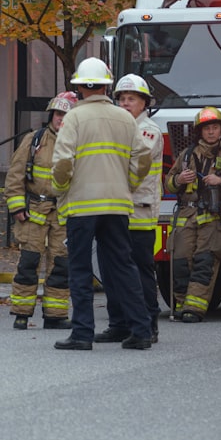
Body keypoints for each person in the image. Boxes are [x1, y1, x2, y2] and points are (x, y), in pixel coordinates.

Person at [50, 57, 153, 351]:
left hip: (82, 206)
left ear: (81, 86)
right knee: (123, 266)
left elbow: (62, 162)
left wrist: (61, 190)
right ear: (107, 86)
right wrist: (129, 184)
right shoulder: (124, 117)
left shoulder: (74, 119)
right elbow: (143, 157)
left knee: (80, 269)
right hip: (117, 205)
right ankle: (140, 331)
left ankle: (82, 333)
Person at [93, 75, 163, 344]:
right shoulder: (118, 128)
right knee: (111, 271)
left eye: (131, 99)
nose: (125, 103)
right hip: (115, 208)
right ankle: (119, 323)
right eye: (121, 98)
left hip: (139, 212)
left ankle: (148, 323)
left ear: (144, 103)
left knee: (140, 271)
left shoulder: (148, 131)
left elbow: (124, 161)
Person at [163, 106, 221, 323]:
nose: (211, 132)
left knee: (204, 262)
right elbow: (168, 184)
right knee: (179, 261)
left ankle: (194, 308)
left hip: (215, 218)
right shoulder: (186, 155)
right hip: (186, 216)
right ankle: (182, 304)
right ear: (200, 131)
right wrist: (179, 180)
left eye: (215, 127)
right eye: (207, 128)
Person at [4, 92, 77, 330]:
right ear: (51, 115)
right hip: (33, 211)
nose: (61, 118)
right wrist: (16, 206)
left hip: (62, 212)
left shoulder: (78, 143)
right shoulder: (34, 140)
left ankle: (55, 315)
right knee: (28, 262)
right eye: (58, 113)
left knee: (60, 264)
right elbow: (15, 176)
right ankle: (21, 313)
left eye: (66, 114)